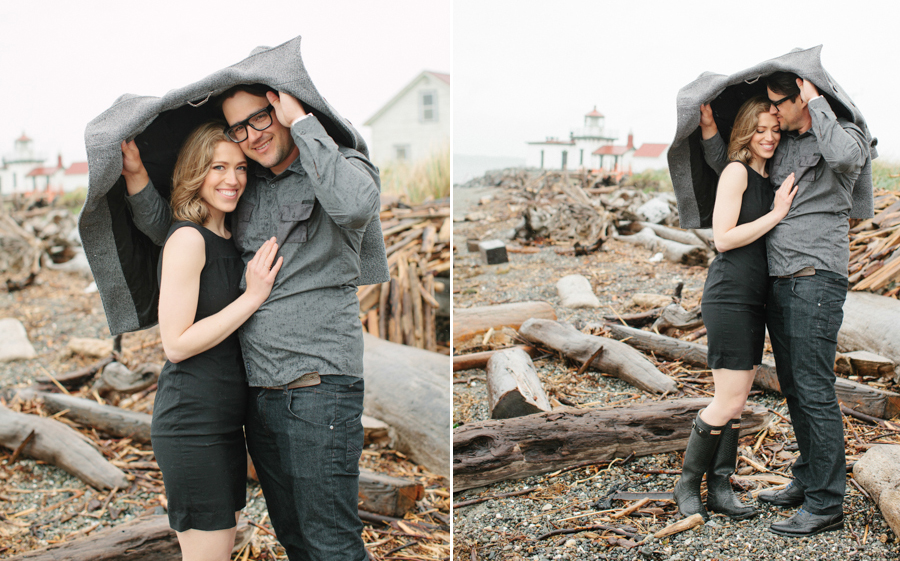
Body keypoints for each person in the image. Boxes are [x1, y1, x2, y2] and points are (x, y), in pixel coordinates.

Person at [125, 85, 381, 561]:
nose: (252, 136)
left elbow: (356, 208)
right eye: (239, 128)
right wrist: (139, 180)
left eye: (261, 118)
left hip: (317, 387)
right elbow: (187, 231)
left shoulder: (342, 166)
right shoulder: (249, 187)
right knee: (297, 541)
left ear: (286, 109)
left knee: (332, 545)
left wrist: (304, 124)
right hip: (258, 397)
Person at [699, 72, 869, 537]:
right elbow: (742, 163)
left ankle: (826, 503)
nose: (773, 113)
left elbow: (845, 157)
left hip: (815, 278)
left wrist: (817, 104)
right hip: (780, 282)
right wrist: (713, 133)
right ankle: (807, 479)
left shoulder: (842, 132)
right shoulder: (787, 142)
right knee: (796, 388)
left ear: (804, 98)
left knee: (814, 389)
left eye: (780, 103)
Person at [121, 121, 283, 561]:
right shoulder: (188, 239)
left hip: (225, 425)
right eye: (217, 167)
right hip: (192, 424)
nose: (232, 179)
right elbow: (174, 343)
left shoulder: (230, 237)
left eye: (241, 168)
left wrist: (136, 176)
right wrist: (252, 297)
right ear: (195, 172)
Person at [674, 96, 797, 522]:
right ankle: (688, 486)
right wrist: (778, 213)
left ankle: (721, 487)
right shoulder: (736, 172)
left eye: (775, 130)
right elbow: (723, 238)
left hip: (754, 299)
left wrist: (710, 131)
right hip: (729, 295)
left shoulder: (769, 176)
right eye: (760, 129)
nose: (768, 137)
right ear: (746, 132)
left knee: (736, 401)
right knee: (726, 402)